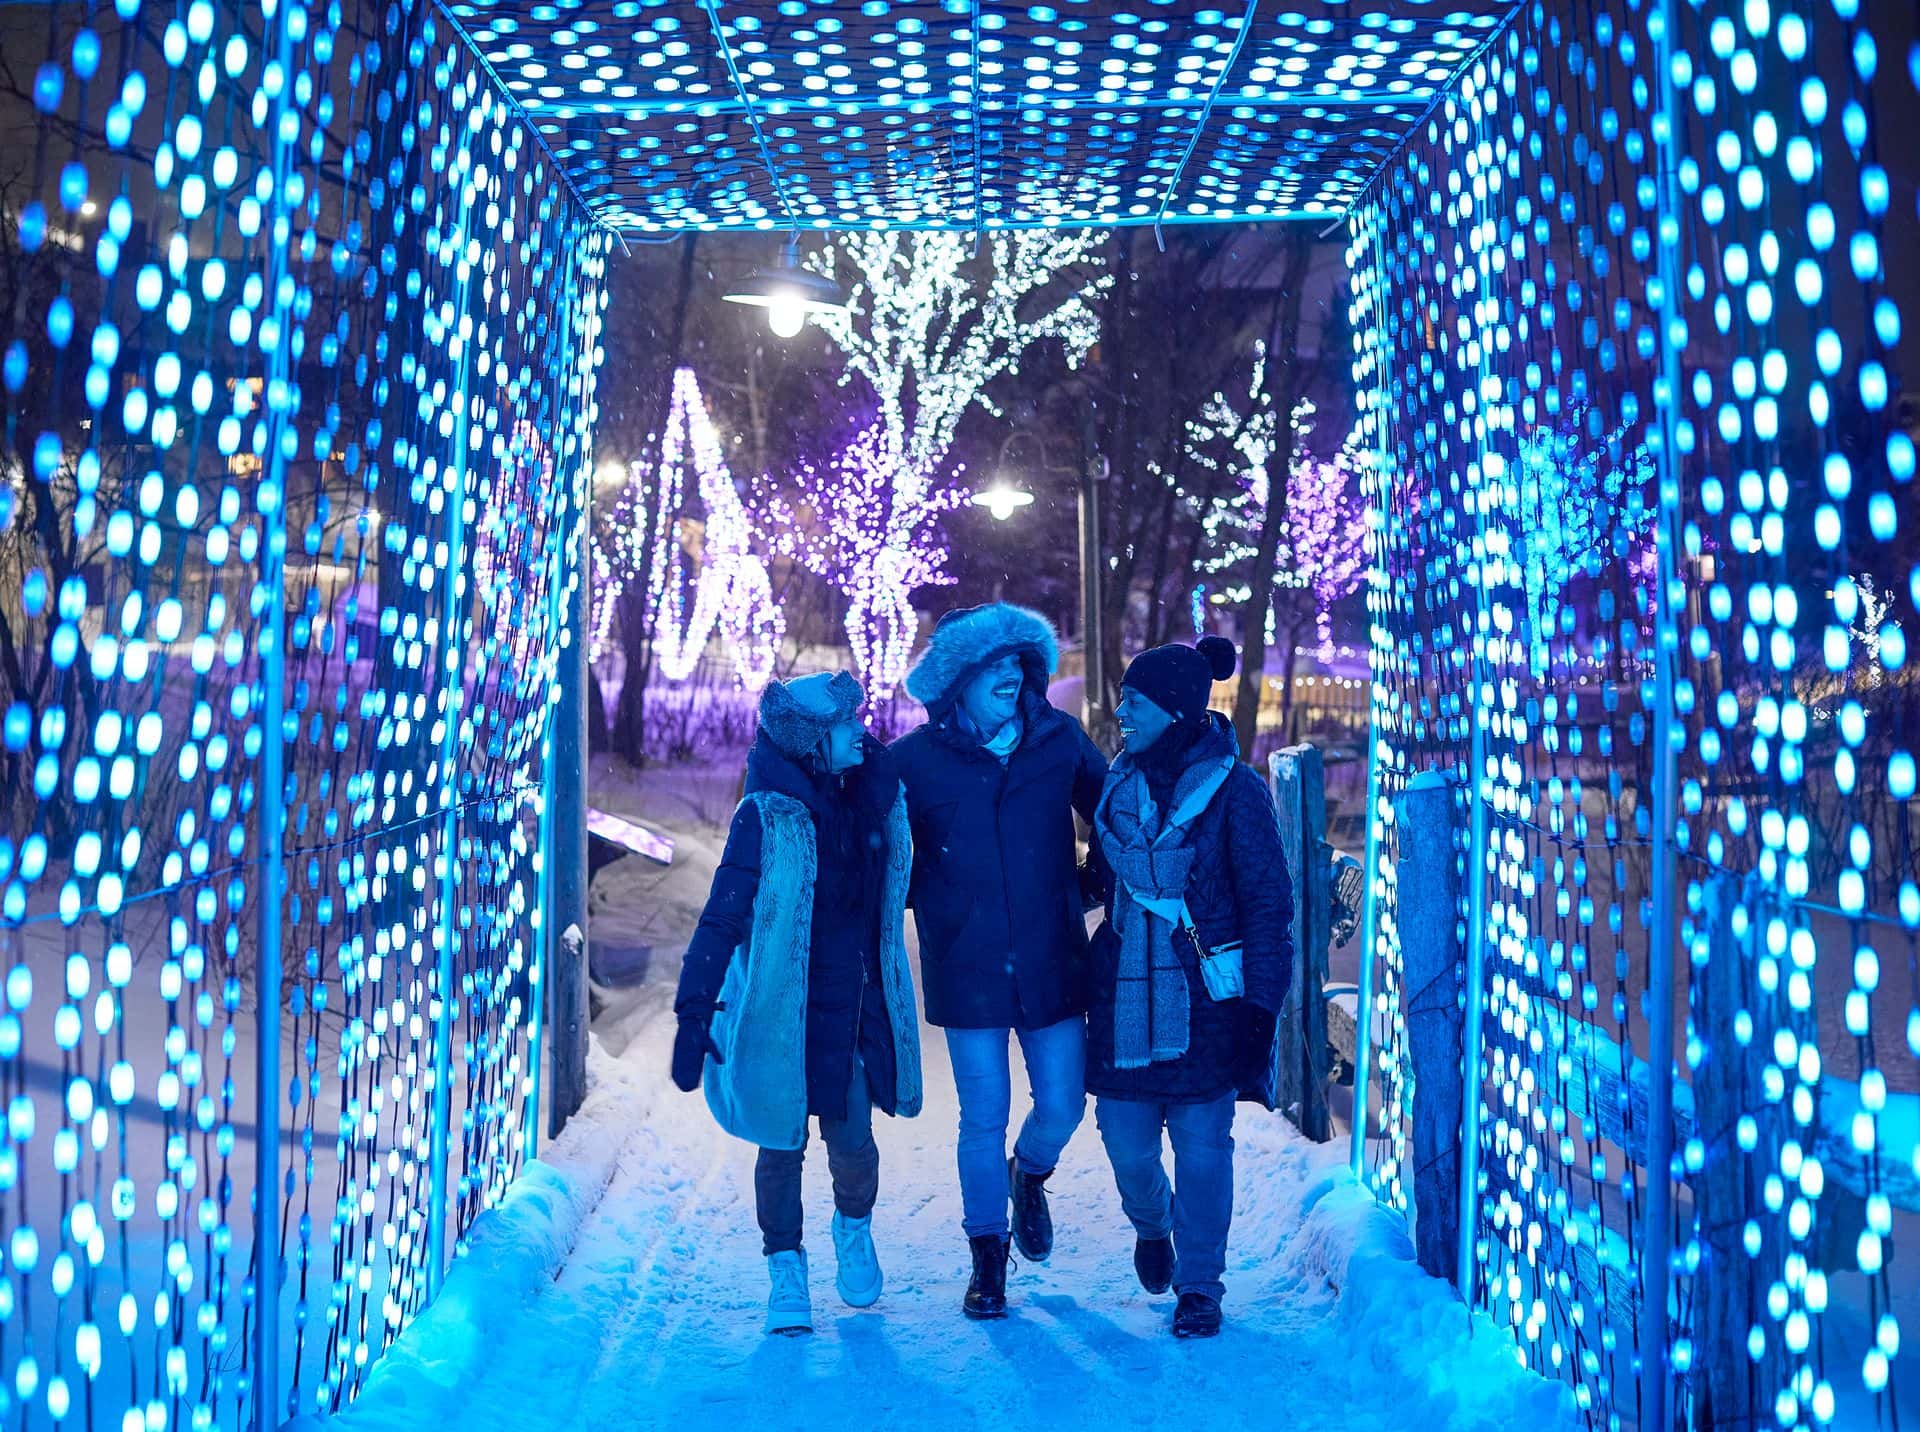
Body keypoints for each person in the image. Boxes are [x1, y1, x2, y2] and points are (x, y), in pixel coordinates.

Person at [670, 671, 924, 1337]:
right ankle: (785, 1264)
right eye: (847, 725)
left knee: (855, 1145)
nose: (861, 734)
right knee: (778, 1147)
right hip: (781, 1017)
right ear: (813, 741)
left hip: (851, 1013)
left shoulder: (876, 801)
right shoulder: (765, 819)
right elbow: (722, 914)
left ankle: (853, 1225)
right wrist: (694, 1006)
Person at [892, 604, 1108, 1319]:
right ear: (958, 678)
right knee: (981, 1115)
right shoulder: (913, 762)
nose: (1012, 673)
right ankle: (988, 1258)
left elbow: (1117, 814)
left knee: (1063, 1105)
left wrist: (1089, 887)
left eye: (1020, 661)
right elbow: (874, 850)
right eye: (996, 663)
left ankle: (1031, 1173)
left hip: (1052, 959)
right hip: (967, 965)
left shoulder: (1058, 740)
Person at [1085, 635, 1293, 1339]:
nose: (1122, 714)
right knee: (1125, 1142)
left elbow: (1269, 907)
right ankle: (1153, 1226)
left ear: (1174, 710)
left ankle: (1200, 1284)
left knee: (1204, 1147)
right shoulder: (1117, 784)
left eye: (1134, 702)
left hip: (1208, 1001)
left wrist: (1260, 1013)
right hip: (1121, 998)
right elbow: (1099, 881)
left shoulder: (1237, 793)